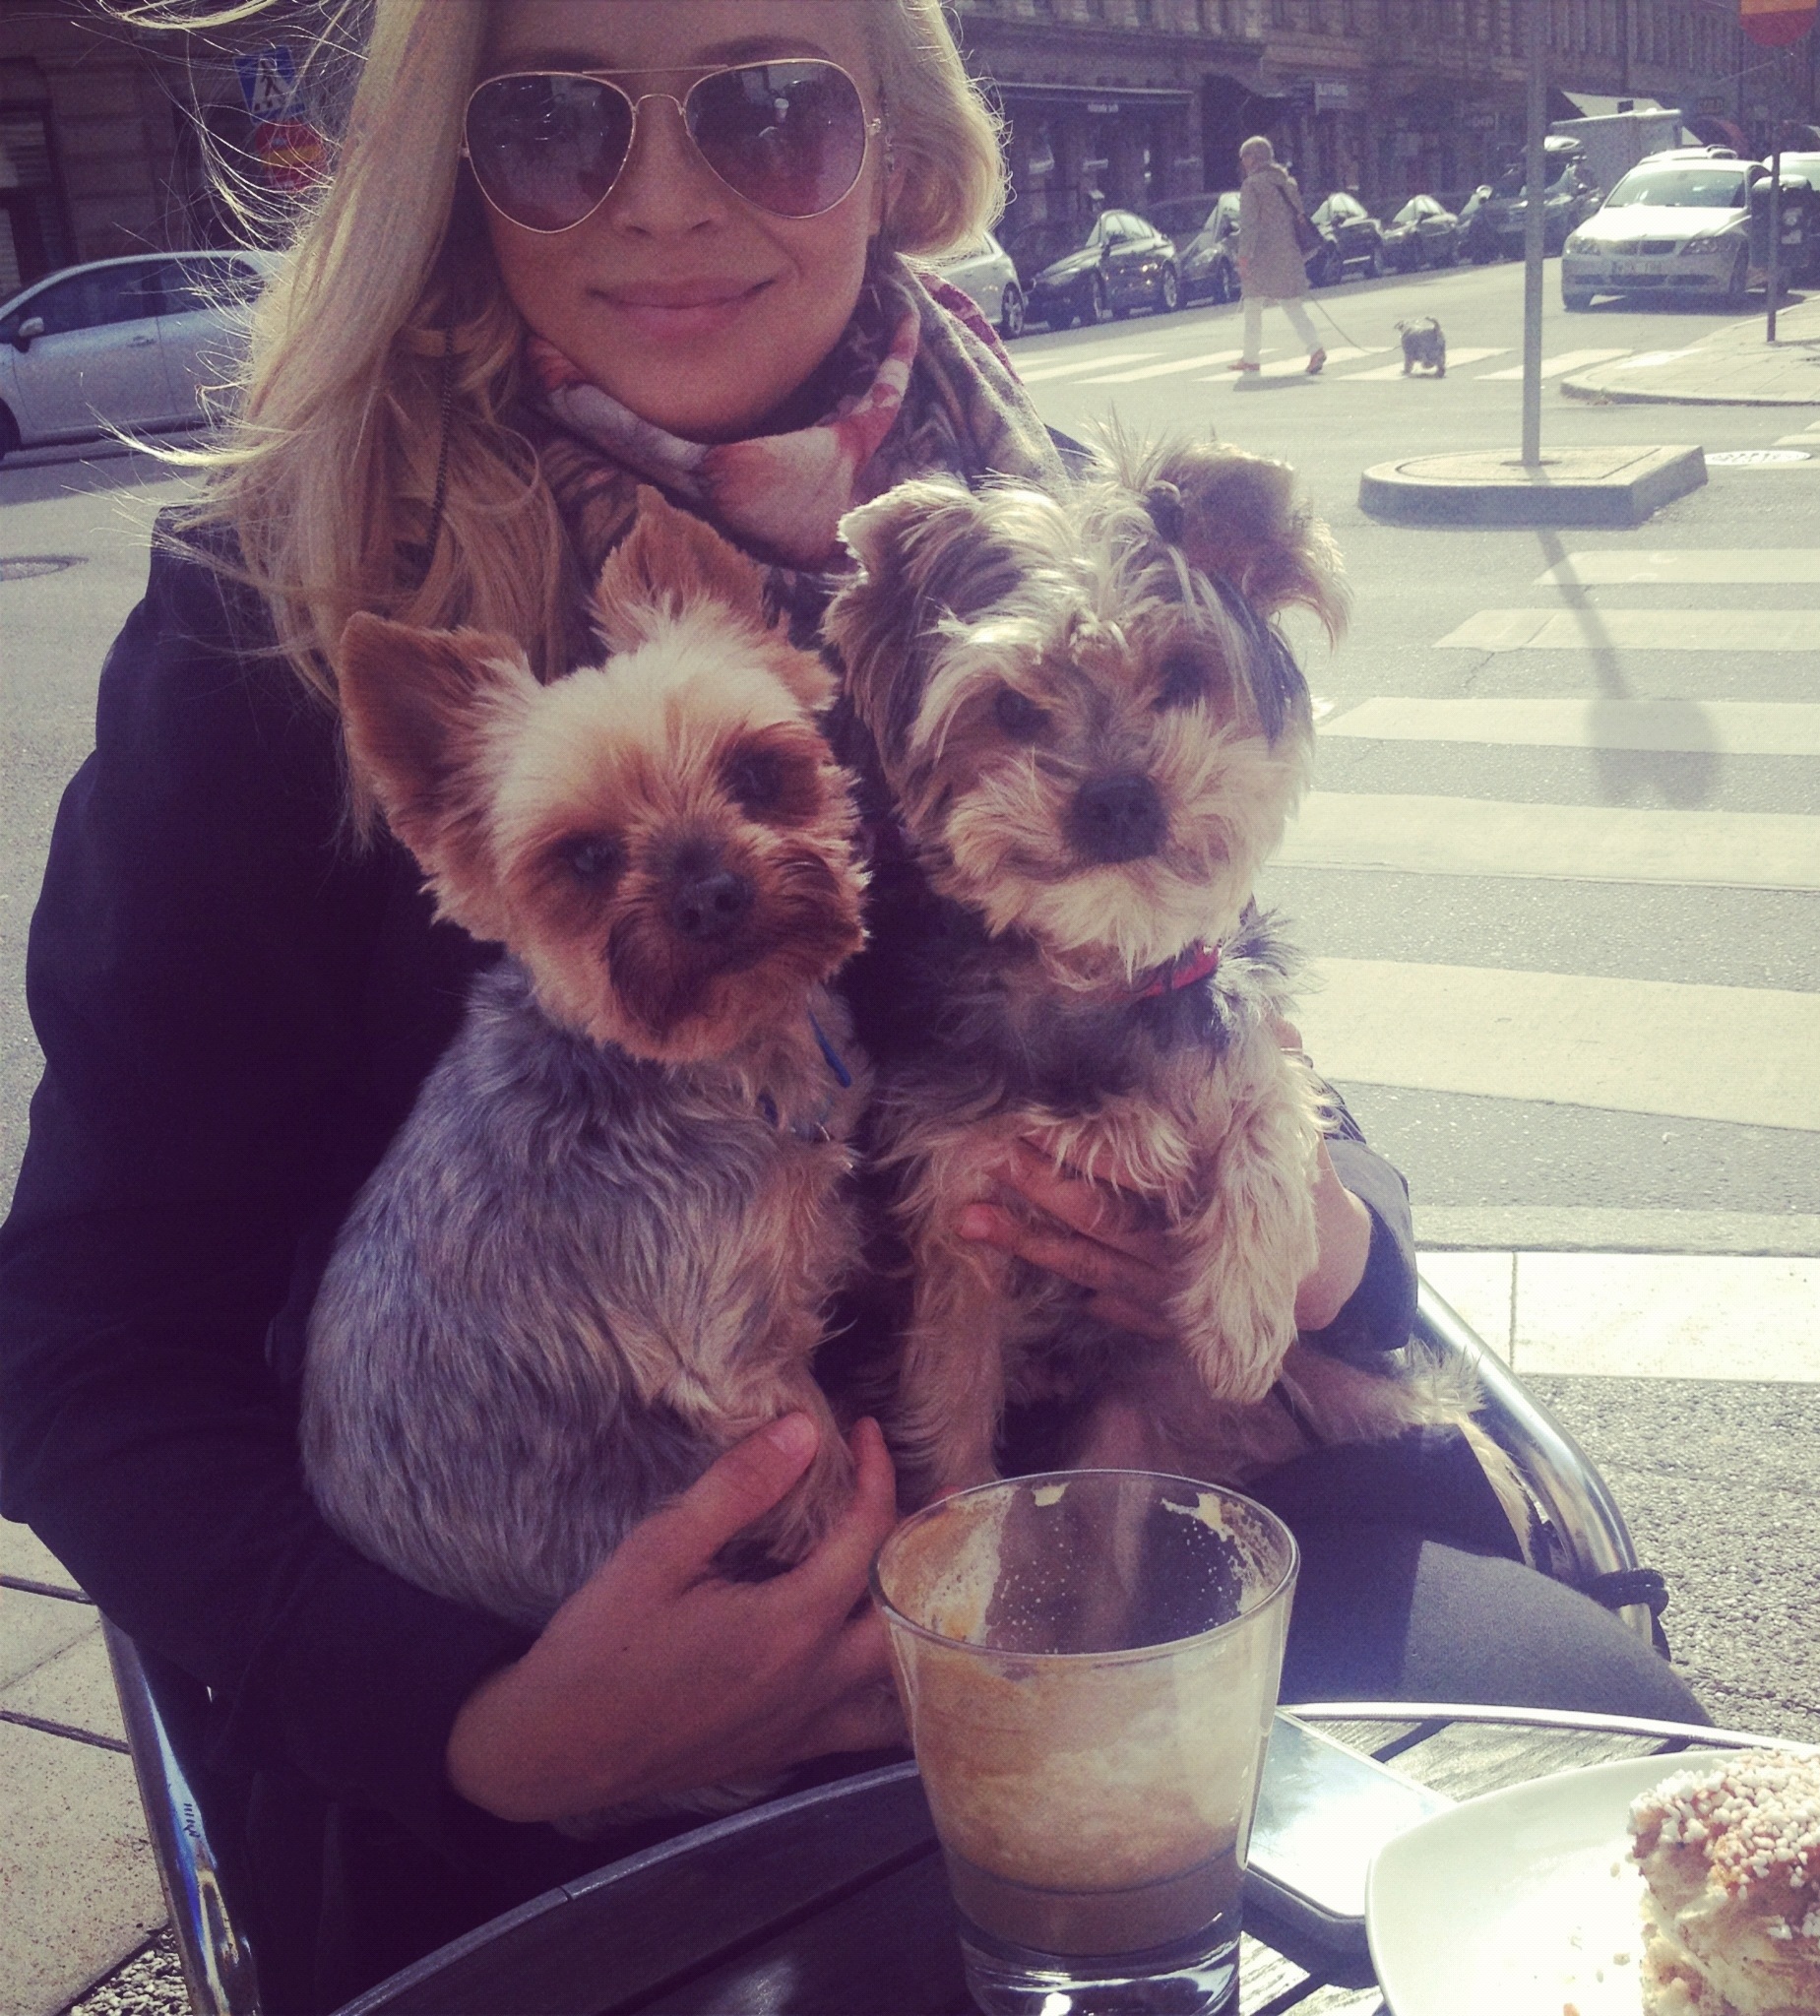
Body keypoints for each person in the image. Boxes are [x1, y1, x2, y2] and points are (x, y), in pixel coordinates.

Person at [0, 3, 1700, 2008]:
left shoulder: (1044, 516)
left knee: (1604, 1810)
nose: (662, 199)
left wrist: (1335, 1249)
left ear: (893, 136)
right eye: (553, 124)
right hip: (574, 1698)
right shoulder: (271, 614)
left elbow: (1218, 990)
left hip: (1133, 1513)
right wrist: (475, 1718)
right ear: (453, 162)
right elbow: (83, 1340)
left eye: (767, 108)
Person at [1229, 135, 1326, 375]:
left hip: (1261, 256)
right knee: (1292, 304)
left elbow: (1249, 225)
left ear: (1254, 158)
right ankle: (1315, 349)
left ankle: (1251, 358)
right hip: (1288, 252)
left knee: (1252, 306)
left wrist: (1243, 258)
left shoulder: (1252, 185)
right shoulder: (1286, 182)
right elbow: (1298, 215)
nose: (1242, 161)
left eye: (1245, 156)